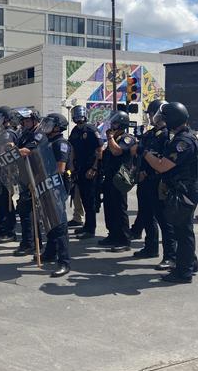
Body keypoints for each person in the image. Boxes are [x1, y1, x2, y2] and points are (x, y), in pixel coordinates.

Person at [144, 102, 198, 283]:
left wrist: (144, 153)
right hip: (183, 188)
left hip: (184, 190)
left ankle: (183, 273)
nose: (163, 121)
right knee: (183, 230)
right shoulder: (184, 136)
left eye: (166, 118)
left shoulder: (183, 142)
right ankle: (191, 264)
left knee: (183, 232)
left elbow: (162, 166)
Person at [131, 100, 175, 265]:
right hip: (144, 182)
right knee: (147, 216)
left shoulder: (167, 135)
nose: (149, 116)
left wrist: (149, 173)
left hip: (157, 182)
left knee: (164, 221)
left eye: (151, 113)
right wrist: (139, 169)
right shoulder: (149, 134)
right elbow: (141, 153)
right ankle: (150, 248)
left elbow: (165, 160)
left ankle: (170, 256)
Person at [35, 113, 72, 277]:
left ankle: (64, 262)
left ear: (58, 127)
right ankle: (50, 253)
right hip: (45, 185)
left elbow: (60, 168)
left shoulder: (60, 143)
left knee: (59, 225)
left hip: (56, 187)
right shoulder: (47, 142)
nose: (46, 126)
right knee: (48, 220)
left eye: (49, 123)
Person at [99, 110, 136, 252]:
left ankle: (124, 239)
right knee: (109, 207)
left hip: (120, 178)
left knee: (120, 209)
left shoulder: (127, 138)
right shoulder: (114, 137)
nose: (111, 125)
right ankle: (113, 235)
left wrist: (109, 138)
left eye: (114, 122)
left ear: (121, 124)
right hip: (109, 177)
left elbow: (117, 151)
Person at [68, 105, 104, 240]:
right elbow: (72, 149)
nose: (78, 119)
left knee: (90, 201)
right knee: (83, 199)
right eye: (76, 116)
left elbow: (99, 149)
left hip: (90, 169)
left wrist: (94, 168)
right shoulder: (75, 131)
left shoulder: (90, 130)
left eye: (80, 116)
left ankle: (91, 229)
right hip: (80, 169)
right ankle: (86, 226)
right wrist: (72, 167)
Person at [14, 108, 42, 256]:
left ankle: (31, 244)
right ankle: (26, 241)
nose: (25, 122)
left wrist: (13, 150)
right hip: (24, 174)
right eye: (24, 120)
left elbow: (26, 151)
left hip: (35, 176)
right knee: (24, 210)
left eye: (28, 120)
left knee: (30, 211)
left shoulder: (39, 134)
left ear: (35, 120)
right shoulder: (25, 133)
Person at [0, 106, 19, 243]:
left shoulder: (9, 133)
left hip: (6, 173)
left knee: (6, 204)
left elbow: (10, 153)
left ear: (6, 119)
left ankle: (10, 231)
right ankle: (0, 228)